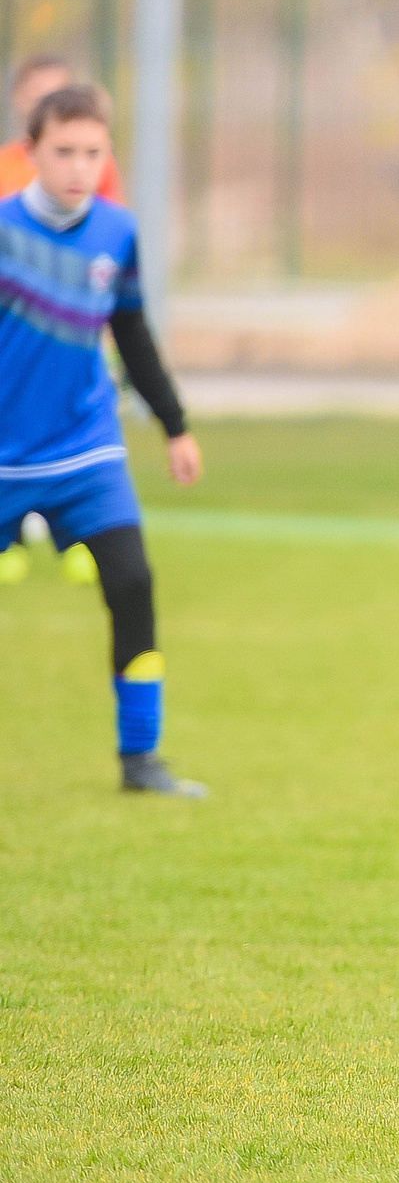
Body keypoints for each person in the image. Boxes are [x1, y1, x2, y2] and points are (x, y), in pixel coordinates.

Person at [0, 84, 204, 795]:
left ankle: (140, 758)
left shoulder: (116, 232)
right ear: (31, 153)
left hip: (87, 450)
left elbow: (132, 333)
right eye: (64, 152)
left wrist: (174, 424)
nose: (79, 167)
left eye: (93, 152)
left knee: (133, 583)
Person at [0, 54, 125, 201]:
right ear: (18, 96)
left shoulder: (98, 162)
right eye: (40, 98)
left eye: (59, 97)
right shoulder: (5, 165)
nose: (49, 106)